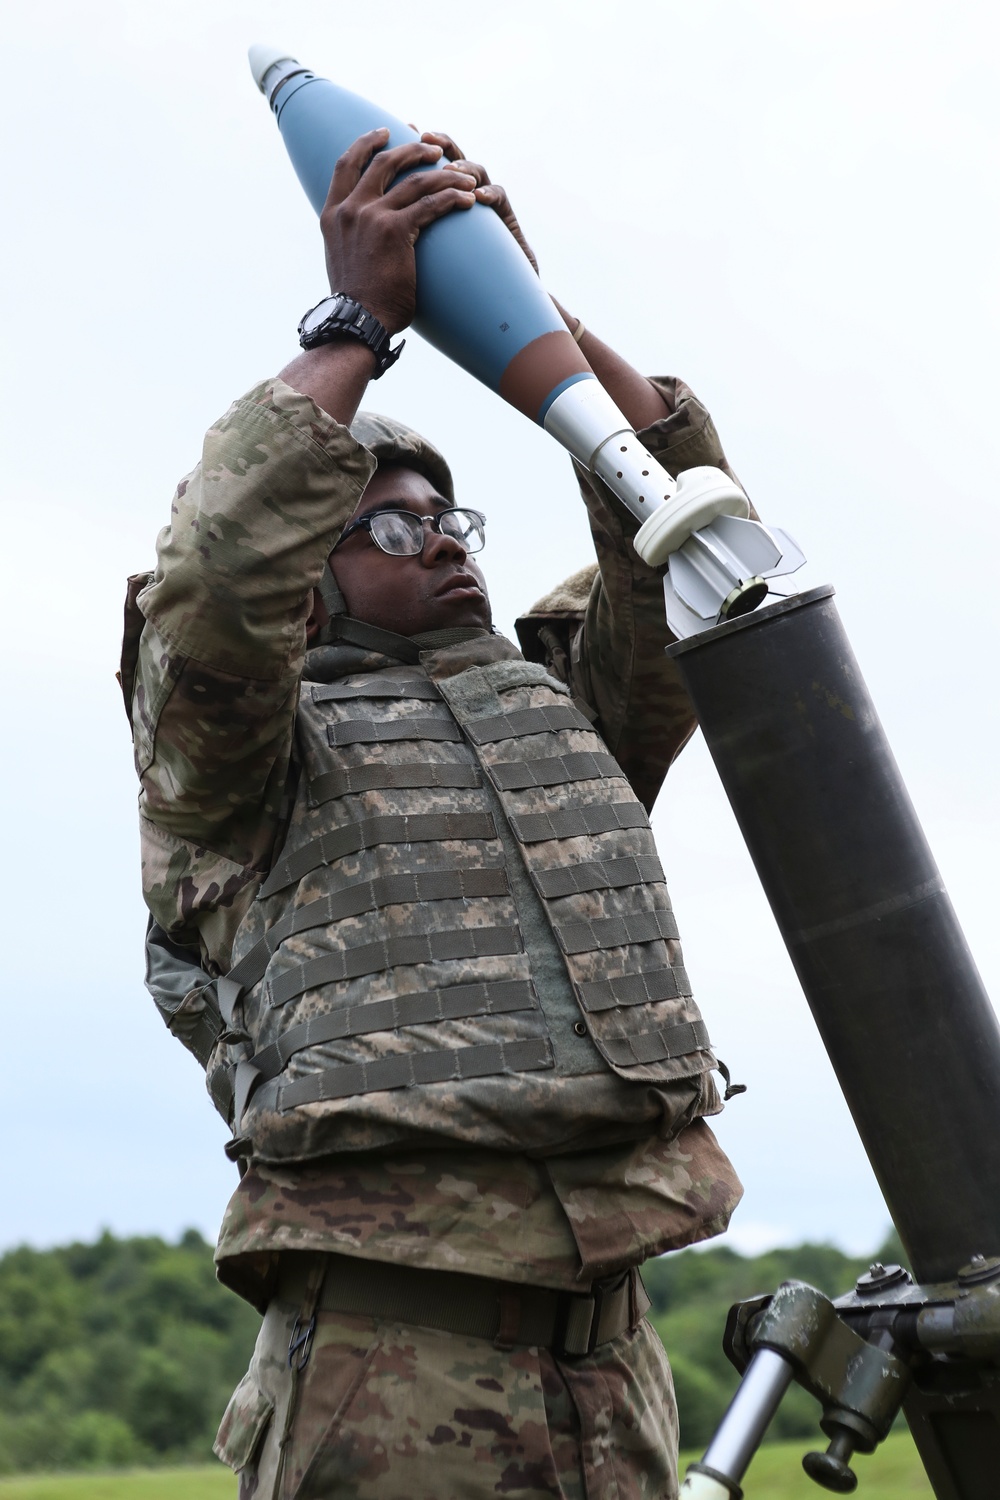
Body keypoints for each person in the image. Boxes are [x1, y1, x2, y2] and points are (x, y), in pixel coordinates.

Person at [121, 127, 744, 1500]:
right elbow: (216, 590)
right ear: (313, 575)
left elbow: (688, 535)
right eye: (390, 529)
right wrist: (358, 323)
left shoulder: (566, 708)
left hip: (615, 1368)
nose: (443, 542)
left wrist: (520, 304)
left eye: (451, 519)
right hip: (386, 1373)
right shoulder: (238, 760)